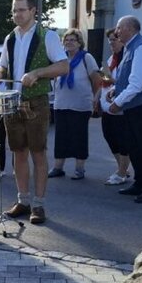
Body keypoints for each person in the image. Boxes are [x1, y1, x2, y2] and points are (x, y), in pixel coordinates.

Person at [0, 0, 69, 225]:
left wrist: (37, 73)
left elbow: (63, 66)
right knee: (18, 152)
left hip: (37, 102)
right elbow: (3, 66)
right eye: (14, 10)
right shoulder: (10, 38)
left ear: (33, 11)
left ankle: (39, 205)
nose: (16, 14)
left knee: (38, 153)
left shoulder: (48, 36)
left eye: (21, 10)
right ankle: (23, 201)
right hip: (13, 103)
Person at [104, 16, 142, 203]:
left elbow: (137, 83)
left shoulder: (141, 47)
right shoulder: (131, 47)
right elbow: (127, 78)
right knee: (134, 146)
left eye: (119, 28)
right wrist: (115, 91)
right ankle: (140, 183)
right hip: (134, 105)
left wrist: (118, 102)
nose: (116, 31)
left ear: (130, 28)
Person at [50, 29, 102, 180]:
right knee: (61, 138)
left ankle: (80, 169)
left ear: (80, 43)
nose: (69, 42)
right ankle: (58, 167)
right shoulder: (61, 59)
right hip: (61, 104)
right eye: (66, 40)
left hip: (80, 105)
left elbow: (96, 79)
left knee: (79, 137)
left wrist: (94, 97)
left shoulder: (86, 57)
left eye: (73, 40)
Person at [99, 29, 131, 186]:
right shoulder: (112, 58)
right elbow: (104, 80)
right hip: (107, 106)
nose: (111, 42)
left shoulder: (127, 58)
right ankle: (122, 168)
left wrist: (112, 82)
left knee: (123, 141)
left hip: (121, 107)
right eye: (110, 40)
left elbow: (127, 83)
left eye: (115, 39)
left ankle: (122, 172)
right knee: (110, 137)